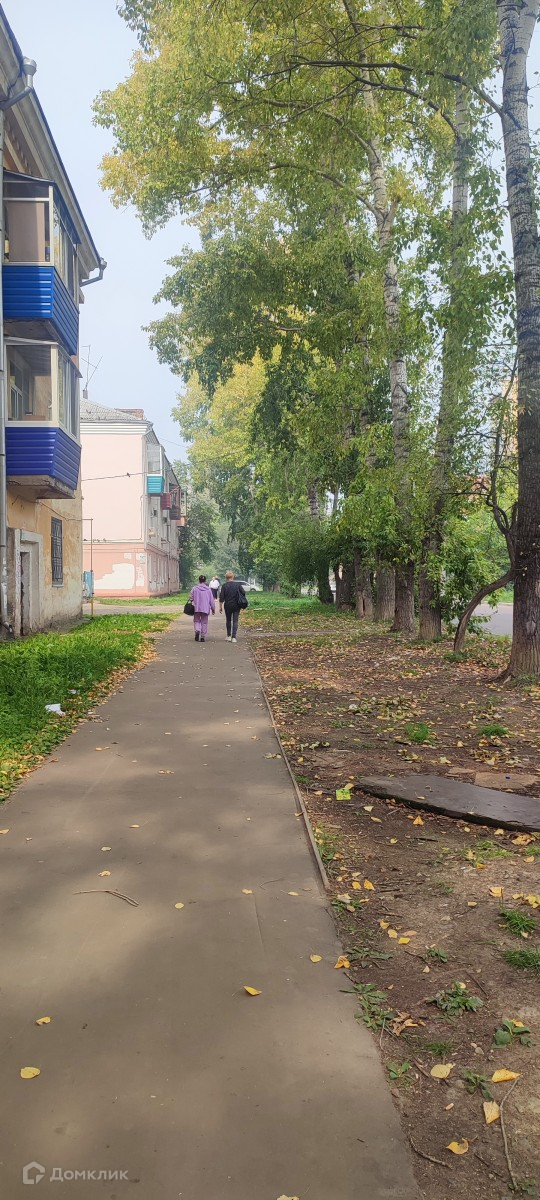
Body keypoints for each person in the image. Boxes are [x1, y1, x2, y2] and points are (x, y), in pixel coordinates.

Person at [219, 571, 246, 643]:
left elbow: (221, 597)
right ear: (233, 577)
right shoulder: (238, 585)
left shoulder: (224, 586)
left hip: (227, 605)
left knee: (228, 620)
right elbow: (243, 593)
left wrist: (220, 607)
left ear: (226, 578)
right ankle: (234, 637)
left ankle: (228, 636)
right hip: (236, 605)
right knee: (235, 620)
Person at [189, 574, 215, 642]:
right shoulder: (208, 589)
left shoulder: (194, 588)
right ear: (205, 581)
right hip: (205, 608)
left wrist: (193, 601)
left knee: (196, 621)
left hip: (196, 608)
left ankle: (197, 630)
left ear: (199, 580)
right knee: (204, 622)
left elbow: (190, 597)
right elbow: (211, 600)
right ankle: (203, 637)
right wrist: (213, 609)